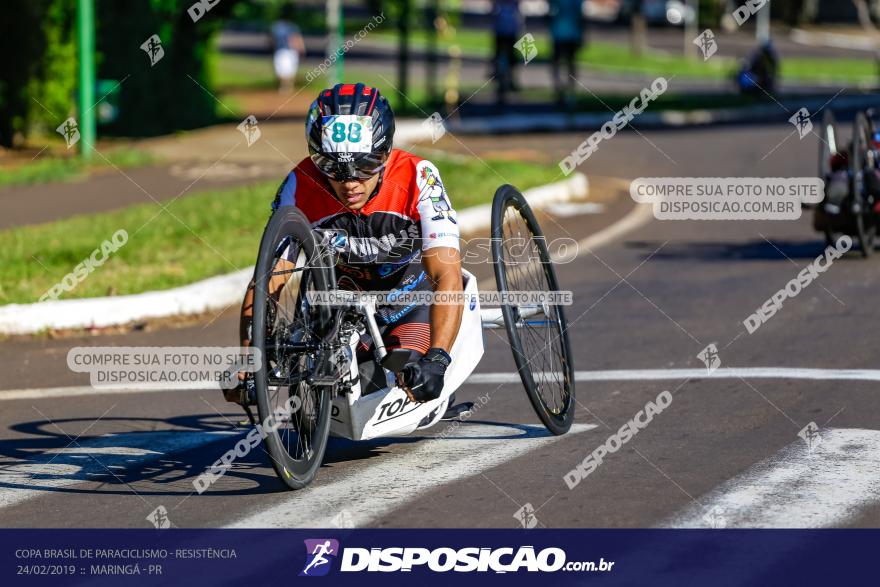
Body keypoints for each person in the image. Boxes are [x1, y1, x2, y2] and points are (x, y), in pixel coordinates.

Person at [229, 83, 464, 407]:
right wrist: (248, 356)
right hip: (340, 308)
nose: (350, 182)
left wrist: (438, 359)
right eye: (335, 169)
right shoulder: (300, 184)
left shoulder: (418, 176)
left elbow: (446, 275)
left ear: (385, 152)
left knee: (411, 378)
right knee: (343, 388)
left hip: (408, 300)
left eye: (365, 166)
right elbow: (269, 278)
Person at [548, 0, 585, 105]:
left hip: (562, 33)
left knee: (561, 62)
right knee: (568, 62)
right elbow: (580, 15)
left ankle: (562, 88)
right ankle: (566, 89)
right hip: (567, 33)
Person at [492, 0, 523, 99]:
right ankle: (501, 80)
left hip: (509, 30)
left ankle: (510, 81)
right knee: (501, 56)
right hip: (502, 30)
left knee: (511, 58)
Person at [270, 19, 306, 93]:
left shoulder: (292, 27)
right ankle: (285, 85)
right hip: (280, 50)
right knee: (280, 71)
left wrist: (301, 48)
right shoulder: (276, 27)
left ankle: (287, 86)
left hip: (290, 51)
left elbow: (296, 38)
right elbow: (272, 40)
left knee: (289, 71)